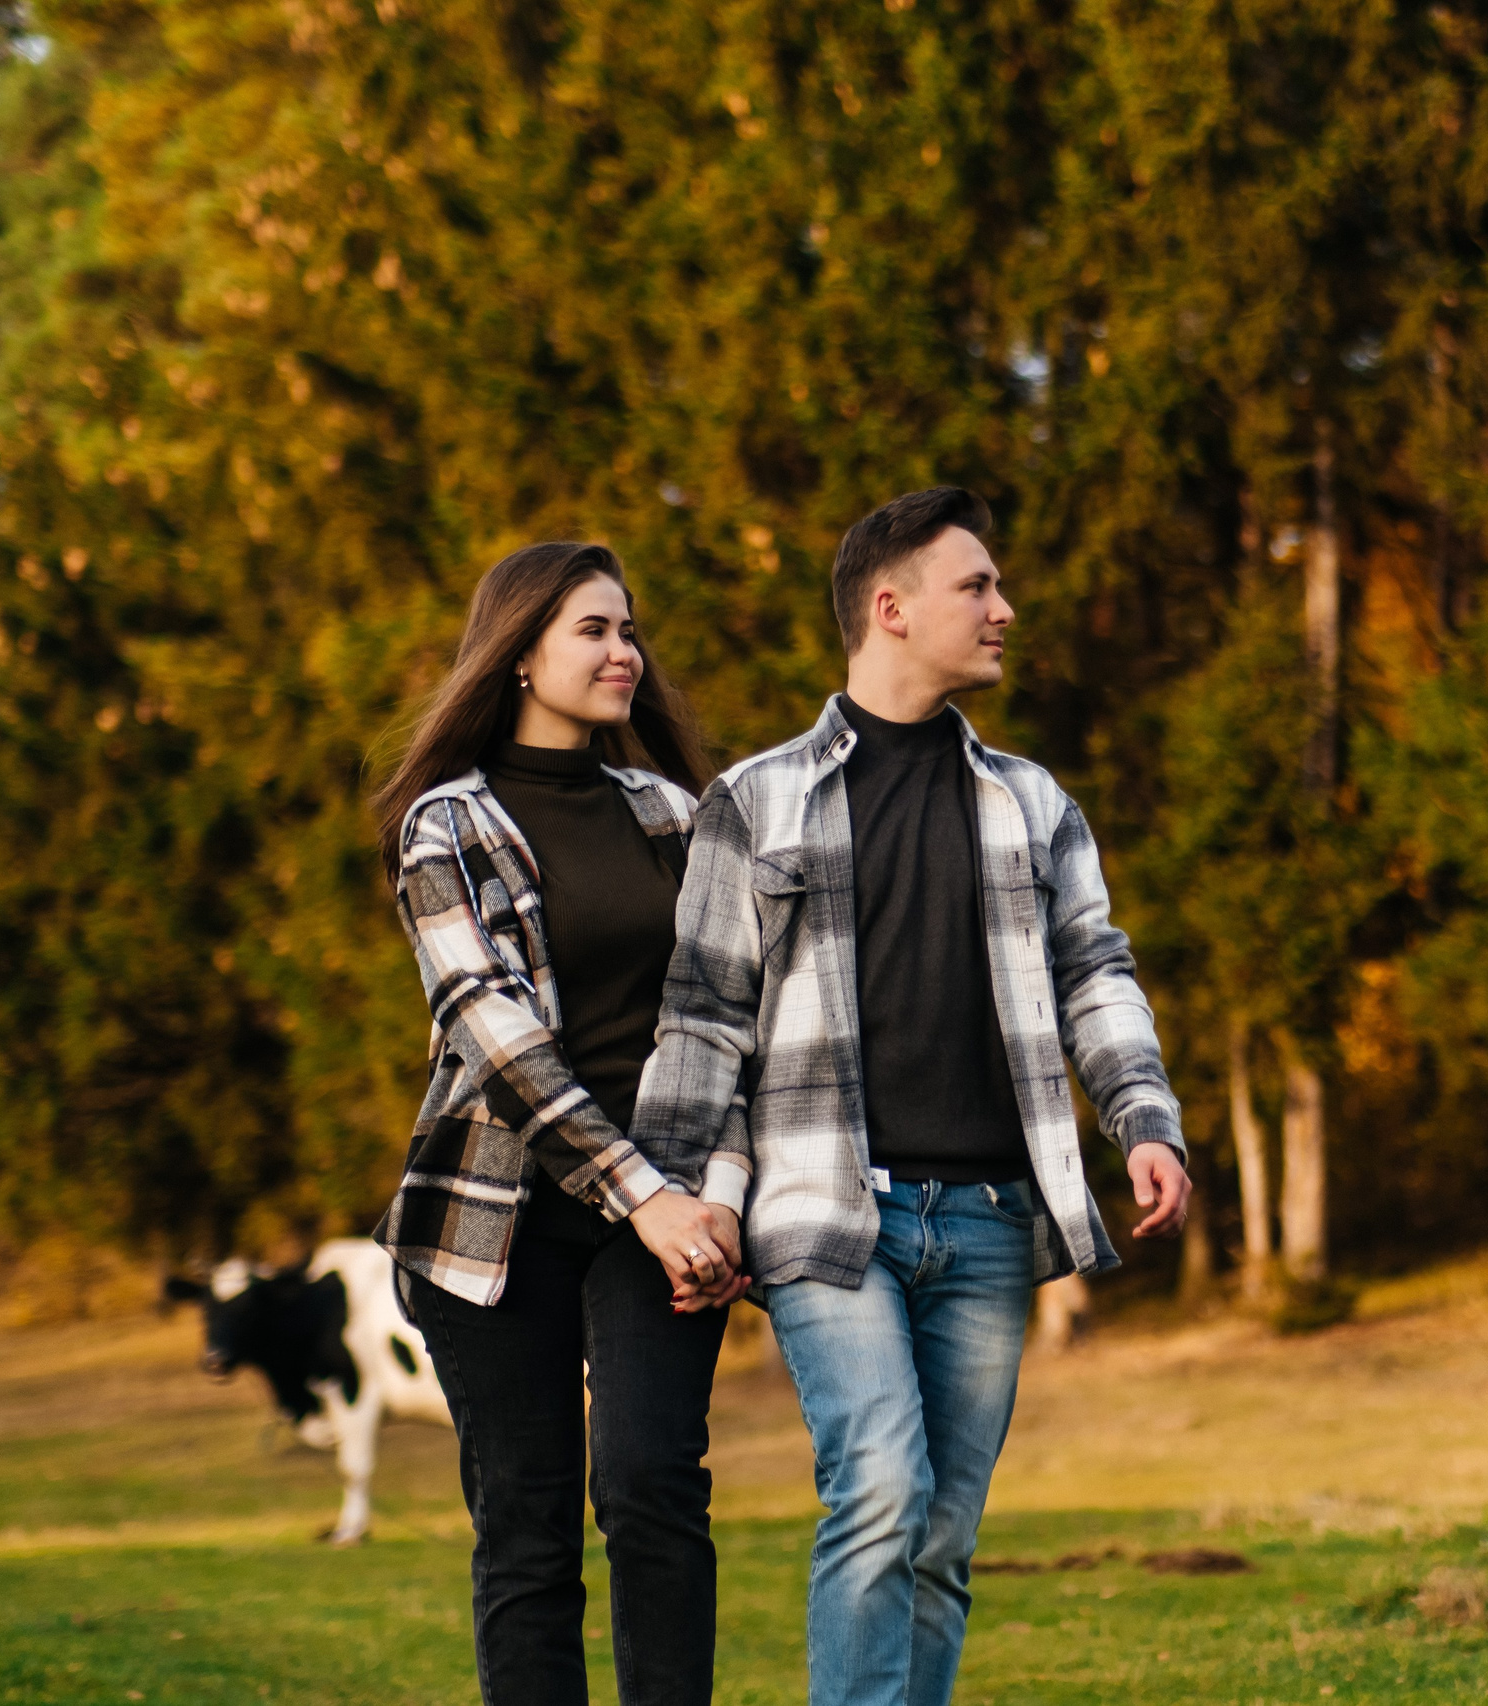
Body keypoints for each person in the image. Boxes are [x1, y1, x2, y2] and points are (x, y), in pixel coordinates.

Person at [633, 488, 1192, 1706]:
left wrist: (1142, 1117)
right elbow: (705, 1019)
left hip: (992, 1215)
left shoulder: (1032, 803)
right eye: (975, 586)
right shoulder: (757, 798)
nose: (1004, 608)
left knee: (942, 1535)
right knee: (880, 1480)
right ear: (890, 608)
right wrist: (685, 1204)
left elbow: (1097, 971)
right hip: (834, 1215)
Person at [368, 542, 750, 1706]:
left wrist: (717, 1198)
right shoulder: (444, 826)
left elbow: (744, 1021)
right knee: (526, 1529)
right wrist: (648, 1193)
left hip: (671, 1216)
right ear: (520, 650)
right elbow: (494, 1033)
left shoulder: (676, 815)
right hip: (493, 1229)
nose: (625, 651)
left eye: (629, 630)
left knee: (650, 1487)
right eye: (594, 628)